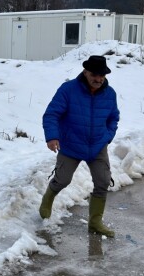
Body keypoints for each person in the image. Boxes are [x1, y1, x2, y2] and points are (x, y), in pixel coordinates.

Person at [39, 54, 120, 237]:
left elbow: (113, 118)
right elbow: (51, 114)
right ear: (85, 72)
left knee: (103, 181)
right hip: (71, 144)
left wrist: (107, 136)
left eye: (101, 75)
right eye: (94, 75)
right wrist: (52, 137)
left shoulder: (110, 94)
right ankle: (48, 198)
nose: (98, 79)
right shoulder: (68, 90)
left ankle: (95, 222)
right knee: (63, 179)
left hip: (97, 145)